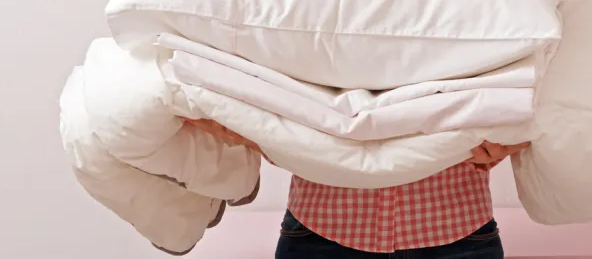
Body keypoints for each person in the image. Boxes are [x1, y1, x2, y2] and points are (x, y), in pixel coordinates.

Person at [188, 119, 529, 258]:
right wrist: (265, 135)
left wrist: (514, 139)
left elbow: (547, 91)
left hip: (458, 234)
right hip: (319, 234)